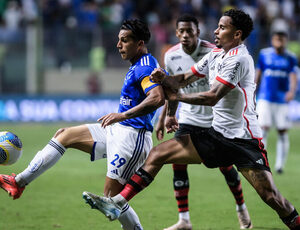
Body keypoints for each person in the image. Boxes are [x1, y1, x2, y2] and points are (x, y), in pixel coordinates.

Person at [82, 9, 300, 230]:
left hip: (244, 141)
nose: (216, 30)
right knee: (158, 153)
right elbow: (185, 78)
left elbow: (212, 96)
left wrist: (178, 96)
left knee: (272, 198)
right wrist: (164, 78)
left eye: (222, 27)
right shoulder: (215, 55)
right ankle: (118, 203)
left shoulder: (240, 59)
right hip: (216, 135)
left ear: (237, 34)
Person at [0, 19, 165, 230]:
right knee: (64, 135)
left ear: (139, 43)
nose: (118, 45)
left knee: (111, 199)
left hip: (132, 137)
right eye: (118, 40)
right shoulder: (142, 64)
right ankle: (18, 182)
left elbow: (157, 97)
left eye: (124, 41)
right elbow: (166, 91)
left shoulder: (145, 67)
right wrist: (168, 115)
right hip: (117, 130)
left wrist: (122, 116)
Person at [155, 14, 251, 230]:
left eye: (190, 31)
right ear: (176, 32)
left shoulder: (214, 51)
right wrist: (167, 116)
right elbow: (171, 88)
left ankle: (241, 206)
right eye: (182, 31)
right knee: (177, 163)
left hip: (213, 119)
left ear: (198, 32)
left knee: (226, 167)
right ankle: (184, 220)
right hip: (188, 118)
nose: (186, 35)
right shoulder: (170, 56)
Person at [255, 30, 298, 174]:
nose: (279, 42)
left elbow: (293, 75)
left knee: (282, 131)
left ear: (285, 41)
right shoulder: (264, 54)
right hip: (265, 98)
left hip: (282, 100)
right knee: (263, 129)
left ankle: (280, 166)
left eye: (281, 39)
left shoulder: (291, 57)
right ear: (272, 40)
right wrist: (253, 89)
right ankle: (263, 162)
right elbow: (258, 73)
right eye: (276, 39)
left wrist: (291, 91)